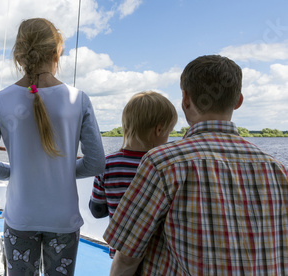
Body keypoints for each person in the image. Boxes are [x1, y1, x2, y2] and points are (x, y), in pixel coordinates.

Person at [104, 54, 288, 275]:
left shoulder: (162, 163)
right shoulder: (277, 170)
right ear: (238, 101)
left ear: (185, 99)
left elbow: (126, 257)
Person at [0, 18, 105, 276]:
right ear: (57, 53)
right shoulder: (79, 100)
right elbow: (96, 163)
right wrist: (64, 170)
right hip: (63, 220)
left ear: (18, 54)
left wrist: (16, 171)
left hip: (21, 218)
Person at [89, 91, 177, 258]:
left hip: (122, 252)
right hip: (160, 255)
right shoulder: (166, 165)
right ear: (159, 130)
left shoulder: (107, 164)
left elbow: (97, 211)